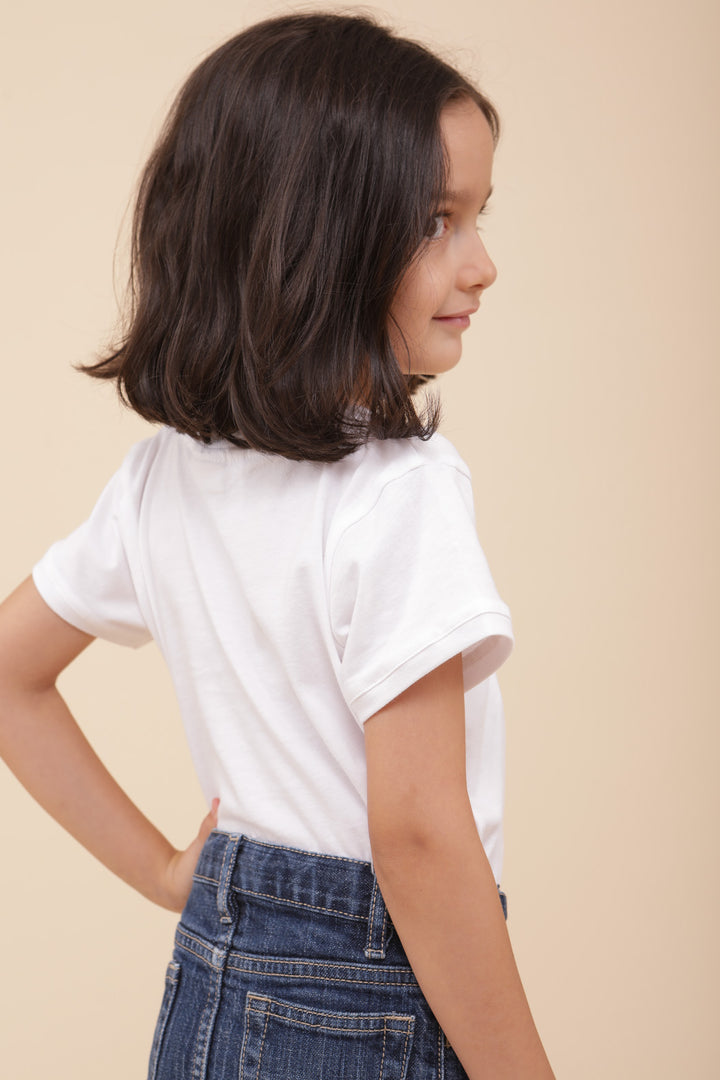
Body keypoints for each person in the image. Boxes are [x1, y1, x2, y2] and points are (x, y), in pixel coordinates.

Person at [0, 13, 554, 1079]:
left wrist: (174, 875)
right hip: (372, 995)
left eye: (481, 215)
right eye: (438, 220)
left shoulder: (167, 475)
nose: (482, 264)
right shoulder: (402, 491)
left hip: (214, 979)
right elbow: (421, 837)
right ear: (314, 234)